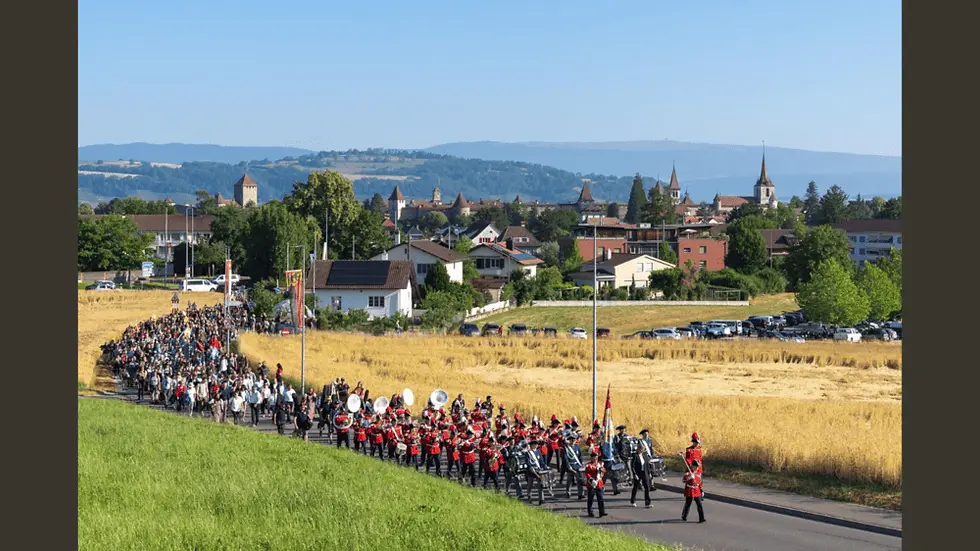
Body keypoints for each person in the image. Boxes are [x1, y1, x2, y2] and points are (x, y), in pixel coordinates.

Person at [584, 448, 608, 518]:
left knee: (600, 498)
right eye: (594, 458)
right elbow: (587, 473)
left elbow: (604, 470)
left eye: (596, 458)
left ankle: (602, 512)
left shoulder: (600, 464)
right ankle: (590, 512)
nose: (595, 459)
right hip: (592, 483)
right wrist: (591, 479)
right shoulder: (589, 465)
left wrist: (602, 470)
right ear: (591, 458)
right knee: (590, 499)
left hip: (599, 483)